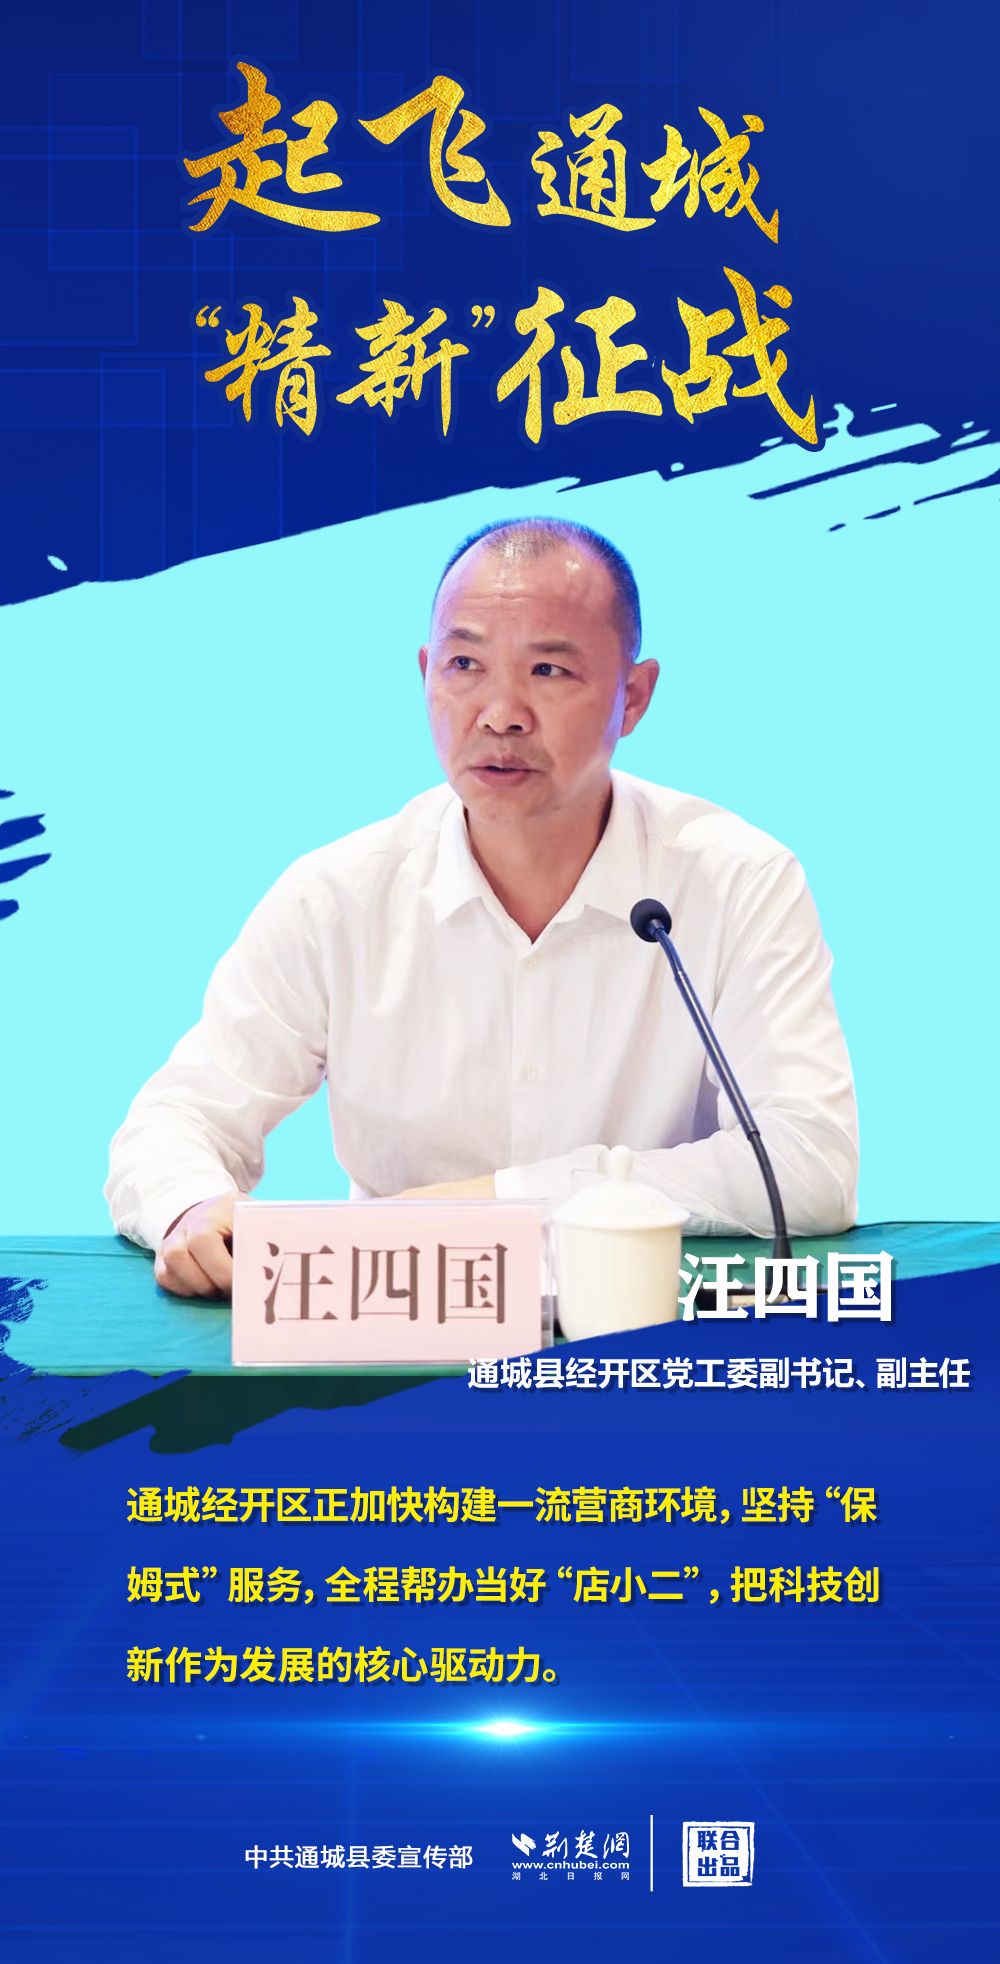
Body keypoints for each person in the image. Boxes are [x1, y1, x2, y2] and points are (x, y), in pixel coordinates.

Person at [106, 517, 858, 1298]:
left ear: (633, 697)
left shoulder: (736, 881)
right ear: (426, 673)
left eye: (549, 670)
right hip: (393, 1319)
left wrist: (491, 1204)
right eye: (464, 664)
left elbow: (808, 1163)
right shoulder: (337, 896)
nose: (500, 714)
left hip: (639, 1324)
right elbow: (176, 1120)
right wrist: (190, 1205)